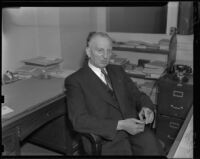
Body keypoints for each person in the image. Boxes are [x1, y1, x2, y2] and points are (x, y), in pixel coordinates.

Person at [65, 32, 164, 155]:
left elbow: (138, 95)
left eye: (109, 51)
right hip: (106, 139)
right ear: (88, 52)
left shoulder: (118, 71)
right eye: (100, 51)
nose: (105, 56)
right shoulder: (75, 81)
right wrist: (120, 125)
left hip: (135, 130)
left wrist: (146, 107)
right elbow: (79, 121)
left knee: (154, 150)